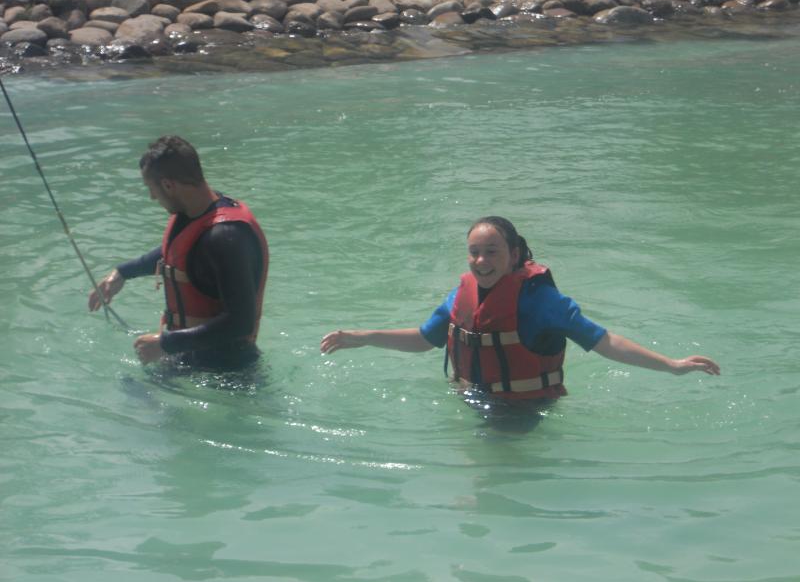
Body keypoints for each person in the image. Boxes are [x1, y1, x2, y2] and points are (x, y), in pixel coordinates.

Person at [320, 216, 719, 402]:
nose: (481, 261)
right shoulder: (460, 297)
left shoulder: (542, 302)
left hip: (527, 413)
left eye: (492, 251)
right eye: (474, 252)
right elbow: (425, 339)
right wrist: (364, 338)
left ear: (513, 255)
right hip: (471, 401)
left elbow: (603, 341)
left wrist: (672, 365)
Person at [88, 135, 269, 368]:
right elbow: (178, 253)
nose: (152, 197)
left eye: (152, 189)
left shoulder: (226, 237)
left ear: (168, 185)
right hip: (190, 359)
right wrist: (122, 273)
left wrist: (166, 344)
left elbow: (240, 323)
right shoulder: (197, 212)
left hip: (226, 373)